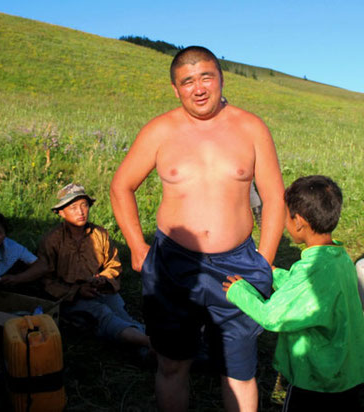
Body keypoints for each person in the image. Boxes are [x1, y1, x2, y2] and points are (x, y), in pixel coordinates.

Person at [110, 46, 285, 411]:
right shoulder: (160, 130)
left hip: (237, 266)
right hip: (173, 265)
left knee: (238, 370)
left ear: (221, 78)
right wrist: (137, 247)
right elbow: (121, 186)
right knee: (172, 363)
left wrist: (265, 260)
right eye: (188, 81)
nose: (199, 88)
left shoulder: (251, 127)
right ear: (176, 89)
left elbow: (273, 197)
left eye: (206, 77)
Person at [223, 175, 364, 411]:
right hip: (348, 375)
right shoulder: (338, 258)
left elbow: (273, 316)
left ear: (298, 222)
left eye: (286, 216)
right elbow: (310, 288)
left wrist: (239, 291)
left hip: (316, 382)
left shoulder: (312, 271)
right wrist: (275, 273)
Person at [37, 183, 151, 358]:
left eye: (84, 205)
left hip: (101, 290)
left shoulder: (100, 234)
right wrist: (76, 291)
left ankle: (149, 348)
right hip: (70, 298)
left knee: (122, 315)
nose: (81, 212)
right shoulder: (52, 241)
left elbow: (114, 265)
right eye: (73, 207)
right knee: (103, 315)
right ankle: (150, 345)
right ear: (61, 212)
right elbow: (46, 281)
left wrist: (103, 279)